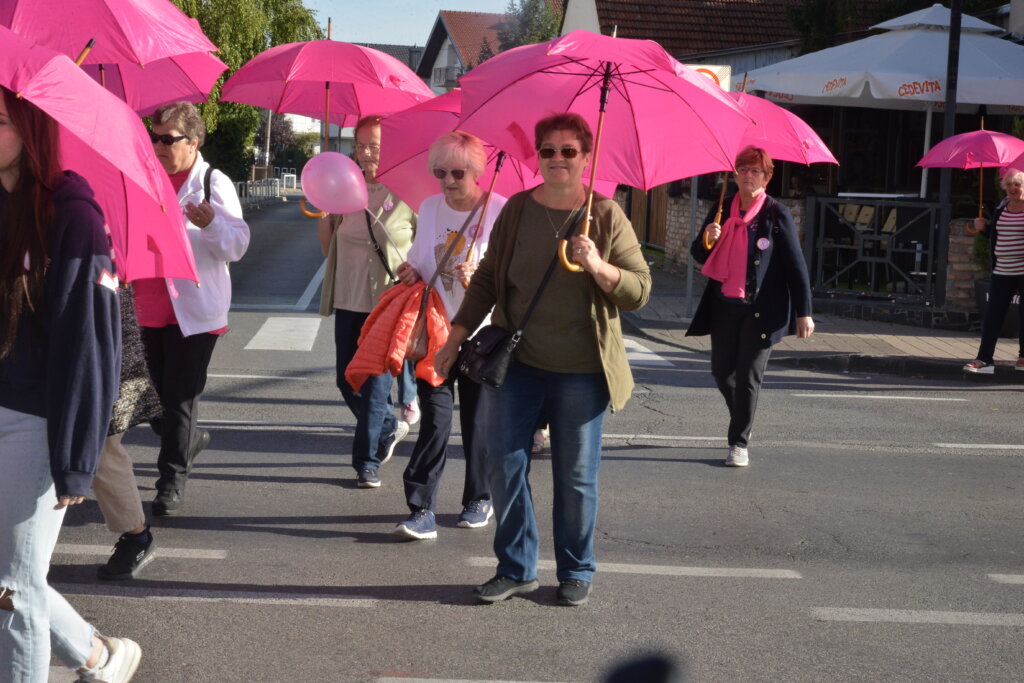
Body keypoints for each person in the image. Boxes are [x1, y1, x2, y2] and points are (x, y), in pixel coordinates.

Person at [434, 113, 651, 606]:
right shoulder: (516, 211)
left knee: (575, 475)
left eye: (568, 151)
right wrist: (454, 339)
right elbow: (488, 279)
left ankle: (576, 569)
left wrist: (597, 264)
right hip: (519, 363)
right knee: (502, 464)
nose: (557, 159)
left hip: (583, 371)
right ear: (538, 156)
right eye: (548, 150)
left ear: (586, 158)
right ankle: (517, 567)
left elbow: (640, 292)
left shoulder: (608, 216)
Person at [0, 86, 140, 682]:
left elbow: (89, 344)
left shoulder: (72, 216)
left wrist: (77, 458)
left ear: (33, 128)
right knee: (10, 580)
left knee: (12, 587)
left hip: (36, 421)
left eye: (0, 120)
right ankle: (96, 654)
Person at [134, 101, 250, 516]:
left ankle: (170, 482)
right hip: (143, 303)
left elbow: (236, 245)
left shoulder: (213, 182)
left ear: (194, 141)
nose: (159, 145)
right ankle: (189, 439)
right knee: (144, 400)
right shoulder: (143, 176)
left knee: (180, 399)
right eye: (155, 137)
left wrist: (211, 224)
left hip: (193, 310)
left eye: (169, 139)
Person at [392, 131, 507, 540]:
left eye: (457, 172)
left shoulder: (498, 209)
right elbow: (422, 261)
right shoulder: (430, 207)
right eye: (440, 172)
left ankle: (479, 498)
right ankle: (421, 507)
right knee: (436, 420)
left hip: (483, 333)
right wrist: (411, 270)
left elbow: (512, 276)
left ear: (476, 171)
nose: (448, 180)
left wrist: (481, 278)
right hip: (437, 331)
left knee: (479, 421)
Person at [686, 146, 814, 467]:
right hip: (724, 305)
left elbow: (795, 266)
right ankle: (743, 418)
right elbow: (699, 255)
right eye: (743, 169)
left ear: (767, 177)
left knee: (747, 377)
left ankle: (738, 443)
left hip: (762, 311)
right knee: (720, 372)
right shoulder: (722, 207)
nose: (748, 175)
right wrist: (707, 239)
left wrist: (804, 312)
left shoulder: (775, 213)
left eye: (755, 171)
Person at [319, 115, 414, 488]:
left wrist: (416, 270)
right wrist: (324, 219)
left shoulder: (406, 193)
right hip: (348, 299)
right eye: (360, 145)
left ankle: (366, 462)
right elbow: (331, 252)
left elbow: (424, 249)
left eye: (374, 145)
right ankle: (389, 426)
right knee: (347, 379)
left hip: (386, 302)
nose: (366, 153)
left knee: (376, 385)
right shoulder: (344, 190)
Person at [92, 285, 162, 580]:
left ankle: (137, 536)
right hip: (33, 371)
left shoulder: (94, 249)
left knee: (101, 453)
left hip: (108, 369)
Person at [963, 168, 1024, 374]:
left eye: (1017, 184)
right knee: (993, 315)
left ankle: (1023, 357)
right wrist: (983, 227)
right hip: (1002, 270)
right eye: (1009, 185)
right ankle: (984, 359)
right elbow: (993, 235)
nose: (1013, 188)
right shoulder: (1001, 206)